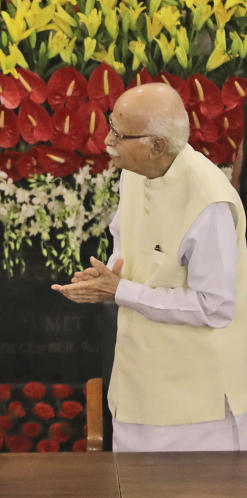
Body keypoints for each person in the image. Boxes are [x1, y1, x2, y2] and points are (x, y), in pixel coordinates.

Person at [52, 83, 247, 452]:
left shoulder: (209, 203)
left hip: (197, 407)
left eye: (119, 134)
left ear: (157, 145)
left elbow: (215, 307)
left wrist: (119, 291)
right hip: (137, 383)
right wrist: (109, 275)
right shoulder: (133, 173)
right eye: (110, 126)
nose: (107, 141)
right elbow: (126, 241)